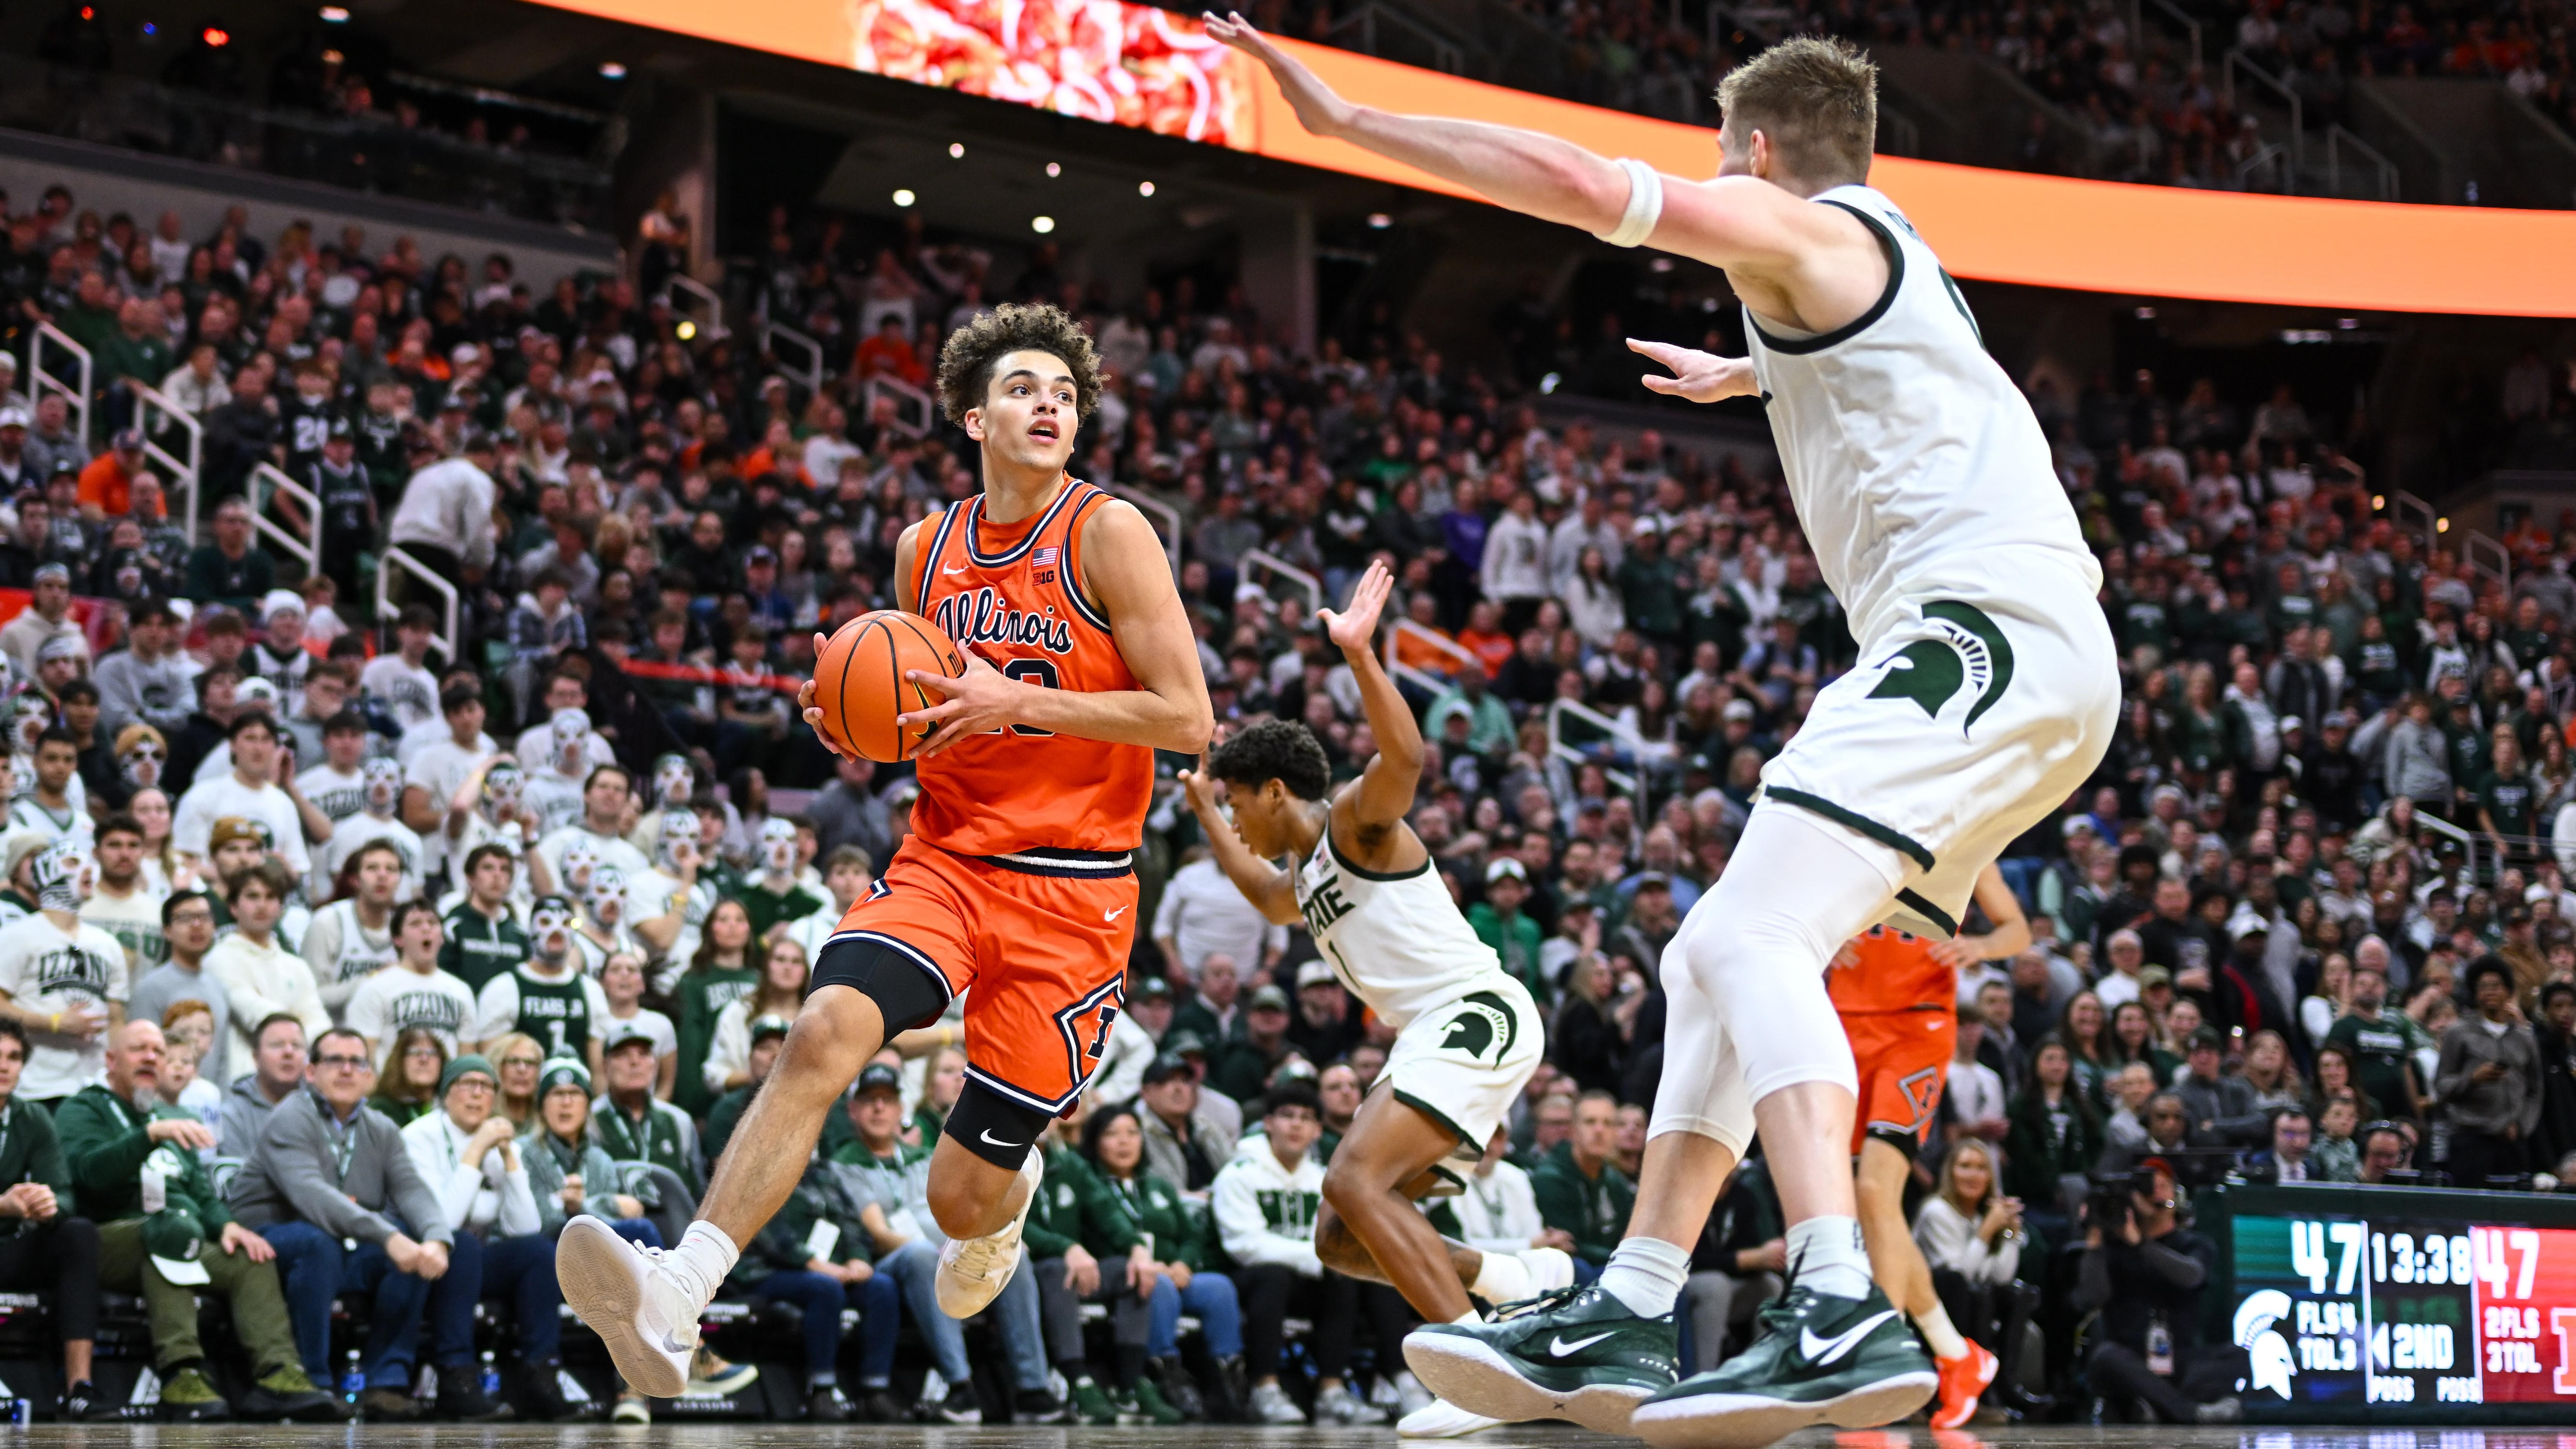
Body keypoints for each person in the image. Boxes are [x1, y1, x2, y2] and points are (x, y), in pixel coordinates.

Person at [1213, 20, 2121, 1440]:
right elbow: (1940, 393)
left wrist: (1346, 123)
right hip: (2037, 657)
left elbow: (1577, 180)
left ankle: (1832, 1300)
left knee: (1741, 944)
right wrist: (1759, 379)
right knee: (1719, 955)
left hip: (1975, 636)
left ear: (1756, 154)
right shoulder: (1895, 261)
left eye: (1726, 165)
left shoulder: (1800, 228)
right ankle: (1632, 1302)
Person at [560, 300, 1213, 1400]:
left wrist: (1019, 698)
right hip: (946, 860)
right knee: (821, 1029)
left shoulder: (1110, 533)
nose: (1047, 402)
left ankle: (1004, 1198)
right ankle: (681, 1287)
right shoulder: (926, 549)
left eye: (1062, 390)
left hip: (1074, 896)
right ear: (971, 414)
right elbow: (921, 704)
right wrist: (859, 719)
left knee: (959, 1200)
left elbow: (1188, 718)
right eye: (1021, 386)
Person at [1184, 559, 1565, 1434]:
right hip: (1435, 1034)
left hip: (1475, 1013)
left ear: (1278, 790)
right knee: (1340, 1238)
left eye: (1240, 801)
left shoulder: (1356, 822)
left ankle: (1479, 1378)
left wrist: (1359, 654)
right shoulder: (1303, 871)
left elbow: (1409, 754)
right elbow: (1270, 897)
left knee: (1355, 1177)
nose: (1238, 818)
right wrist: (1205, 812)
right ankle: (1515, 1282)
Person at [1817, 864, 2031, 1431]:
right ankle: (1955, 1354)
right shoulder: (1852, 834)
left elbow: (2017, 928)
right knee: (1871, 1206)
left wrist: (1980, 946)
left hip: (1918, 1028)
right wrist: (1813, 941)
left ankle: (1878, 1356)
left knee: (1873, 1189)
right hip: (1843, 1022)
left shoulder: (1963, 842)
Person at [56, 1019, 338, 1422]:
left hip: (174, 1232)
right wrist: (149, 1136)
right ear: (112, 1060)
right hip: (109, 1236)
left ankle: (278, 1373)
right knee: (173, 1230)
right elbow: (87, 1175)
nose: (151, 1058)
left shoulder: (168, 1113)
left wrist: (227, 1225)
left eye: (158, 1051)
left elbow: (200, 1193)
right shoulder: (83, 1108)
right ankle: (180, 1373)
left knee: (249, 1257)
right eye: (140, 1050)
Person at [227, 1025, 456, 1420]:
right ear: (311, 1072)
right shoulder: (291, 1117)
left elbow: (412, 1190)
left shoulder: (381, 1129)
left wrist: (436, 1239)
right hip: (264, 1240)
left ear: (369, 1075)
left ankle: (386, 1382)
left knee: (413, 1250)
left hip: (336, 1242)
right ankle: (313, 1381)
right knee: (321, 1242)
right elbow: (313, 1196)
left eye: (357, 1062)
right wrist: (387, 1236)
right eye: (335, 1060)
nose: (347, 1070)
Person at [833, 1059, 1049, 1423]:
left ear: (903, 1109)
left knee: (1017, 1256)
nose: (879, 1108)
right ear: (853, 1110)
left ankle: (1034, 1389)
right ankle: (960, 1386)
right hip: (893, 1259)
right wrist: (945, 1250)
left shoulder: (923, 1155)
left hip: (948, 1245)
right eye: (870, 1100)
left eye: (888, 1100)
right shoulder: (845, 1162)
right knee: (919, 1255)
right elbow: (879, 1232)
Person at [405, 1053, 583, 1421]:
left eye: (486, 1087)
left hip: (473, 1261)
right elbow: (442, 1222)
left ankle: (540, 1372)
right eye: (467, 1085)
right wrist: (476, 1150)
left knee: (537, 1251)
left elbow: (526, 1227)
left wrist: (510, 1161)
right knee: (463, 1244)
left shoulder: (504, 1142)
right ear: (446, 1094)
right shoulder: (418, 1137)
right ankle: (455, 1376)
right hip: (423, 1257)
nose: (477, 1095)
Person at [1216, 1082, 1385, 1425]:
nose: (1296, 1125)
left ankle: (1331, 1391)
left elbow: (1334, 1238)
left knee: (1344, 1278)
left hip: (1305, 1278)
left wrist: (1324, 1260)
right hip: (1247, 1278)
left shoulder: (1324, 1180)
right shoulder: (1238, 1174)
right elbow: (1245, 1245)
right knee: (1274, 1274)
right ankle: (1264, 1388)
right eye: (1287, 1116)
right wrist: (1316, 1257)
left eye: (1306, 1118)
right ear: (1268, 1123)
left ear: (1317, 1131)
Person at [1071, 1102, 1244, 1421]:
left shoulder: (1158, 1185)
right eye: (1112, 1134)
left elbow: (1193, 1236)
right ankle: (1166, 1377)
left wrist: (1184, 1264)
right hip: (1125, 1276)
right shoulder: (1088, 1183)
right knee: (1157, 1284)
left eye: (1133, 1133)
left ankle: (1227, 1378)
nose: (1125, 1142)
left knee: (1219, 1287)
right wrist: (1151, 1265)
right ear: (1095, 1141)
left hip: (1174, 1273)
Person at [2066, 1158, 2240, 1424]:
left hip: (2180, 1359)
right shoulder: (2112, 1248)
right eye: (2145, 1186)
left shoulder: (2195, 1243)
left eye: (2162, 1186)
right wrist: (2094, 1240)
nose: (2155, 1193)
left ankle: (2153, 1404)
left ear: (2176, 1194)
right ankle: (2188, 1412)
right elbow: (2093, 1297)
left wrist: (2141, 1244)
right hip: (2130, 1359)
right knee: (2104, 1357)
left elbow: (2191, 1276)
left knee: (2239, 1356)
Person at [0, 1019, 109, 1420]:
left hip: (9, 1248)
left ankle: (79, 1388)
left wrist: (47, 1204)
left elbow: (64, 1192)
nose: (5, 1067)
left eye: (13, 1058)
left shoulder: (31, 1118)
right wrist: (3, 1205)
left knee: (78, 1232)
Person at [1908, 1140, 2041, 1419]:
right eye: (1964, 1166)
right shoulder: (1937, 1212)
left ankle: (2004, 1383)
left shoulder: (1983, 1215)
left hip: (1970, 1295)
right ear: (1950, 1172)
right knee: (1966, 1288)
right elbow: (1960, 1275)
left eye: (1981, 1168)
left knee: (2018, 1293)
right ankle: (1971, 1388)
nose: (1973, 1175)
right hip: (1929, 1306)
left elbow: (2001, 1276)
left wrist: (2010, 1236)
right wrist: (1986, 1231)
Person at [0, 839, 129, 1108]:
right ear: (46, 873)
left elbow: (116, 1019)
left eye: (88, 863)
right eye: (72, 862)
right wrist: (55, 1023)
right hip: (34, 1085)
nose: (87, 870)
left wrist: (117, 1075)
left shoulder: (107, 943)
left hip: (93, 1086)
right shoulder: (16, 936)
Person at [206, 860, 329, 1070]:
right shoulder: (219, 958)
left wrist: (294, 1033)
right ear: (234, 908)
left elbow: (320, 1024)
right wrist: (298, 1023)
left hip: (295, 1076)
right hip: (242, 1076)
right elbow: (258, 1016)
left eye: (271, 897)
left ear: (281, 908)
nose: (262, 905)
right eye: (253, 897)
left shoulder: (296, 965)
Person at [2436, 955, 2543, 1187]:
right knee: (2470, 1209)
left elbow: (2535, 1091)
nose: (2489, 992)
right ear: (2475, 994)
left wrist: (2522, 1126)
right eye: (2482, 987)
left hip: (2512, 1140)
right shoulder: (2458, 1033)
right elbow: (2442, 1086)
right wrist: (2472, 1079)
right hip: (2470, 1138)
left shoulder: (2525, 1038)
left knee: (2514, 1214)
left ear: (2508, 991)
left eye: (2495, 986)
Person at [470, 895, 610, 1071]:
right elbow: (492, 1065)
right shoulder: (503, 988)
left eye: (566, 923)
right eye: (545, 922)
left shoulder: (591, 990)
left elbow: (599, 1072)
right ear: (530, 930)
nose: (556, 930)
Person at [346, 899, 477, 1067]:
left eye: (432, 923)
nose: (426, 929)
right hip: (392, 1090)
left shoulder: (461, 991)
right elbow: (365, 1055)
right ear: (398, 939)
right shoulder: (375, 988)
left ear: (442, 938)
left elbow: (466, 1060)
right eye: (415, 924)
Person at [306, 839, 402, 1016]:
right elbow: (310, 998)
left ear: (400, 880)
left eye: (391, 869)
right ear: (356, 880)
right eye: (372, 868)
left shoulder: (405, 926)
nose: (382, 875)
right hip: (335, 1032)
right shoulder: (328, 922)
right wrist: (373, 979)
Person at [219, 1013, 310, 1157]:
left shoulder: (321, 1106)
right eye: (277, 1045)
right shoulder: (233, 1115)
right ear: (256, 1057)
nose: (289, 1052)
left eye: (297, 1046)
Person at [369, 1029, 447, 1127]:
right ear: (400, 1061)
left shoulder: (450, 1109)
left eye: (432, 1053)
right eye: (415, 1052)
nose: (424, 1059)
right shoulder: (380, 1110)